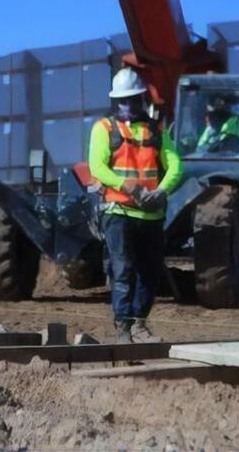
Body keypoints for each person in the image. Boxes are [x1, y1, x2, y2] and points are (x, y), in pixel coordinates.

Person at [88, 67, 183, 344]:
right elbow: (97, 166)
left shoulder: (155, 130)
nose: (128, 105)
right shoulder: (103, 129)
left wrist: (162, 191)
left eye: (132, 99)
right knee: (123, 269)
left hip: (151, 215)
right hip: (118, 213)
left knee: (150, 273)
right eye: (123, 100)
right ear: (116, 102)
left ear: (141, 99)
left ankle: (139, 325)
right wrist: (127, 186)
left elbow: (175, 164)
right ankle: (123, 330)